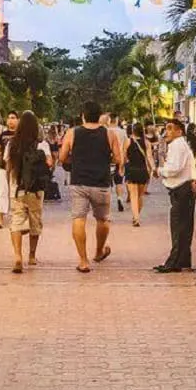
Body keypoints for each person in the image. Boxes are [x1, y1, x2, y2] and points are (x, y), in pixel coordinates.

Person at [59, 101, 124, 273]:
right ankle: (98, 251)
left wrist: (76, 160)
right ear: (100, 116)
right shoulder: (109, 134)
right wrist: (104, 159)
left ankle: (83, 260)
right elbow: (118, 159)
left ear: (83, 116)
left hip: (79, 181)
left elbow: (62, 157)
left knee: (79, 218)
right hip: (101, 182)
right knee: (103, 219)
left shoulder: (72, 133)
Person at [5, 111, 51, 273]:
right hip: (36, 190)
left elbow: (8, 167)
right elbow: (49, 164)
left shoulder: (12, 144)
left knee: (16, 221)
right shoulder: (41, 145)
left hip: (17, 188)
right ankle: (31, 256)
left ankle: (18, 256)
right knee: (35, 222)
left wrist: (9, 184)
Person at [155, 119, 196, 273]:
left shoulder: (178, 145)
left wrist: (160, 171)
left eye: (170, 129)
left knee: (179, 227)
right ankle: (182, 260)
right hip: (182, 189)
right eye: (166, 129)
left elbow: (175, 168)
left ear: (179, 131)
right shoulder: (180, 145)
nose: (167, 132)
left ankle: (174, 262)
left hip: (181, 190)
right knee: (184, 227)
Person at [0, 111, 20, 229]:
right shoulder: (2, 136)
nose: (10, 120)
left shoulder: (21, 135)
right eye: (8, 118)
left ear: (18, 120)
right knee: (1, 192)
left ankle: (16, 219)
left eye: (13, 118)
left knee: (15, 193)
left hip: (17, 168)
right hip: (3, 167)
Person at [124, 123, 156, 227]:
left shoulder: (128, 141)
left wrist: (121, 167)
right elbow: (150, 157)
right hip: (143, 171)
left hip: (131, 170)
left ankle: (136, 218)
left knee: (133, 196)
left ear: (132, 131)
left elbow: (123, 157)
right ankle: (137, 215)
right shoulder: (146, 143)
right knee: (140, 196)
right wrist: (154, 168)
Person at [101, 113, 129, 212]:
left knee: (107, 183)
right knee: (119, 181)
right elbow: (126, 146)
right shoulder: (122, 132)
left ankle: (107, 203)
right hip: (119, 159)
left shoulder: (105, 131)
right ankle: (119, 198)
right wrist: (124, 159)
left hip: (107, 160)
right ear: (116, 120)